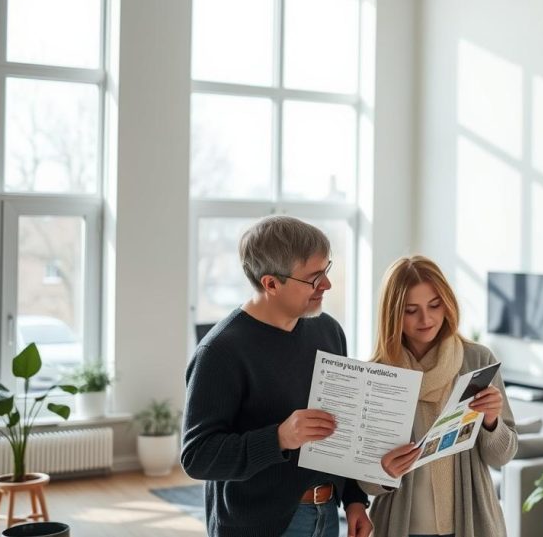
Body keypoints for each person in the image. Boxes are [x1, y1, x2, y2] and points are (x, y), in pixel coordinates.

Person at [181, 216, 373, 537]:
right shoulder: (219, 352)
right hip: (258, 526)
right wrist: (280, 438)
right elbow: (197, 457)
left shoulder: (328, 331)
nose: (327, 285)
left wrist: (355, 500)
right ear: (271, 283)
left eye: (326, 270)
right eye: (314, 278)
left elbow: (342, 426)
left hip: (327, 515)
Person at [362, 255, 517, 537]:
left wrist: (492, 421)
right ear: (393, 314)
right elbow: (365, 483)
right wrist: (383, 472)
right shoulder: (377, 374)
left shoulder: (478, 360)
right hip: (400, 528)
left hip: (470, 526)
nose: (427, 318)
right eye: (411, 310)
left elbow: (501, 457)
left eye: (435, 305)